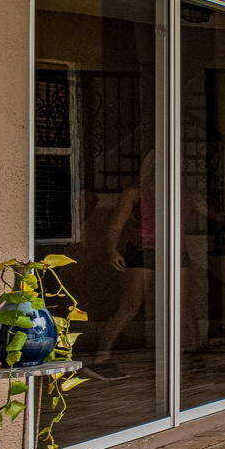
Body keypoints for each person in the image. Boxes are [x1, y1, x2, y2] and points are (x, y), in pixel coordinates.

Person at [89, 154, 156, 378]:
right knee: (130, 306)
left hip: (174, 252)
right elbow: (116, 225)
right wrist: (112, 251)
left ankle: (190, 355)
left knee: (182, 306)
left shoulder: (182, 193)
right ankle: (101, 358)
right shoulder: (135, 193)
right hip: (141, 250)